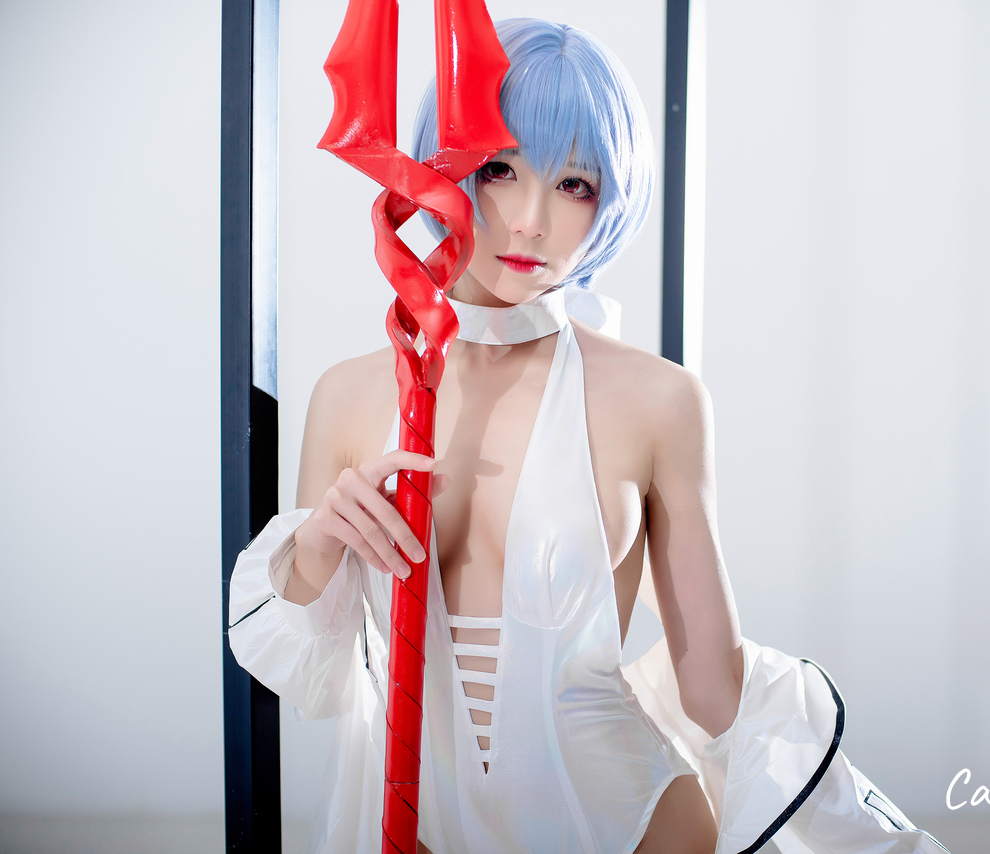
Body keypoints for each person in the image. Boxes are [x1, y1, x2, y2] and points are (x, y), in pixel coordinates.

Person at [229, 17, 947, 854]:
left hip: (631, 825)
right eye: (500, 169)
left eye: (574, 183)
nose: (531, 221)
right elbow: (311, 680)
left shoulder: (660, 401)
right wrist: (316, 547)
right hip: (410, 818)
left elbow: (713, 689)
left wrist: (864, 827)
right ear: (440, 169)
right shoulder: (349, 399)